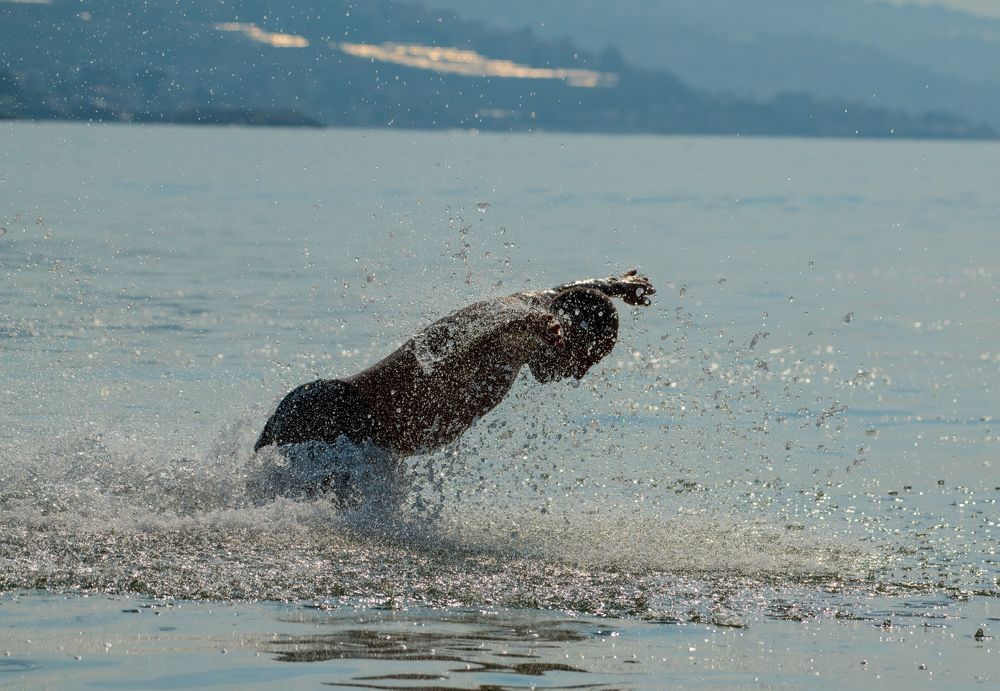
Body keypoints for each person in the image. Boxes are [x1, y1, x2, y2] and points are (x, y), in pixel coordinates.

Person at [253, 270, 655, 493]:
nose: (581, 373)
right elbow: (479, 333)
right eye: (584, 360)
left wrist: (610, 286)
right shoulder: (512, 326)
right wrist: (529, 324)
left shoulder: (540, 310)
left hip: (357, 439)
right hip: (334, 424)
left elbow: (560, 294)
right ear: (563, 331)